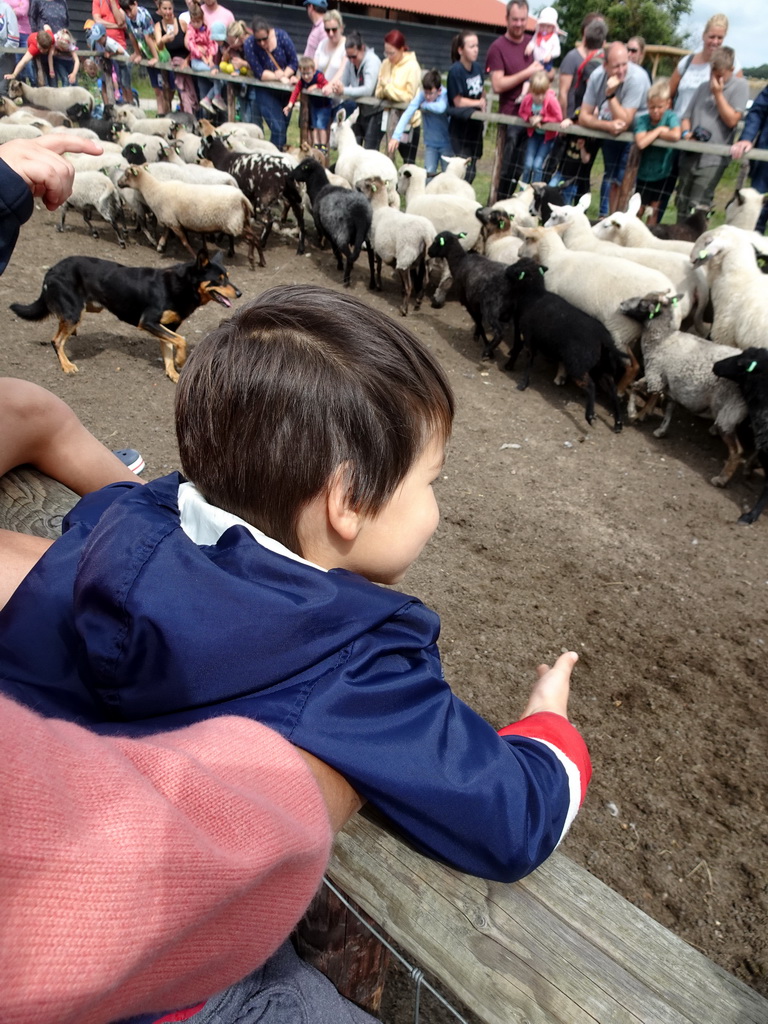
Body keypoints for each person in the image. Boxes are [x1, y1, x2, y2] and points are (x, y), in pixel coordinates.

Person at [0, 282, 591, 888]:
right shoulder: (353, 665)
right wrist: (549, 727)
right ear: (348, 500)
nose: (436, 505)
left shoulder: (125, 519)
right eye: (431, 480)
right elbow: (511, 817)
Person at [0, 136, 366, 1024]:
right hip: (153, 964)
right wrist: (326, 788)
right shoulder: (371, 644)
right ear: (345, 501)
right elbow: (102, 877)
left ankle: (133, 494)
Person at [676, 46, 748, 220]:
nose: (715, 77)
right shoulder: (702, 87)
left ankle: (695, 241)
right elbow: (686, 116)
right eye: (713, 72)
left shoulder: (741, 86)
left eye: (720, 73)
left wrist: (717, 94)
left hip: (713, 159)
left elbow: (732, 120)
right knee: (681, 200)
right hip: (690, 154)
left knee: (698, 204)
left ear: (731, 70)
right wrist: (687, 133)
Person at [578, 40, 648, 217]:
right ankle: (605, 218)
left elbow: (625, 122)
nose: (622, 70)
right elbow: (583, 116)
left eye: (625, 64)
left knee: (623, 180)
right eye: (617, 66)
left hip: (634, 136)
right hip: (610, 131)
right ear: (605, 65)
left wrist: (610, 95)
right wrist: (607, 125)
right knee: (610, 176)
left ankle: (619, 220)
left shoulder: (637, 78)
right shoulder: (596, 77)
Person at [485, 0, 540, 199]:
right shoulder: (497, 47)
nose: (518, 24)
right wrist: (528, 72)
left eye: (523, 20)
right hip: (510, 119)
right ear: (507, 19)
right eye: (515, 19)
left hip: (532, 118)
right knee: (505, 170)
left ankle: (509, 206)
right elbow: (498, 85)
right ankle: (496, 205)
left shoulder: (533, 44)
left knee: (521, 170)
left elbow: (544, 73)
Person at [550, 14, 606, 204]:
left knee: (584, 168)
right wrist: (566, 120)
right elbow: (563, 93)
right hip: (572, 122)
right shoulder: (572, 57)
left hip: (592, 124)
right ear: (585, 30)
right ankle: (554, 202)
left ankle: (578, 209)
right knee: (563, 166)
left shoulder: (603, 61)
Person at [242, 16, 298, 149]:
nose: (261, 43)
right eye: (258, 40)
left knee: (283, 128)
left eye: (264, 39)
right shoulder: (249, 44)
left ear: (269, 32)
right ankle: (272, 157)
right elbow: (259, 72)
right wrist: (278, 76)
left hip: (286, 91)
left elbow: (294, 62)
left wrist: (285, 74)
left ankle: (276, 157)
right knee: (277, 127)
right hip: (265, 90)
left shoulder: (282, 36)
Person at [632, 77, 682, 224]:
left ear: (667, 104)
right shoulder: (643, 120)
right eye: (652, 107)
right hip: (644, 173)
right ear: (647, 105)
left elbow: (675, 134)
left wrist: (651, 135)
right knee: (638, 209)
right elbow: (641, 142)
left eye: (659, 107)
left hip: (662, 174)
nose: (655, 111)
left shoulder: (671, 117)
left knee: (653, 211)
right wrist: (659, 130)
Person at [388, 67, 453, 177]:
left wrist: (425, 105)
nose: (427, 96)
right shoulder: (422, 96)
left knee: (447, 175)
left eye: (431, 93)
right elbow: (408, 113)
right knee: (428, 174)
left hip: (447, 144)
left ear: (439, 90)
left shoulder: (445, 95)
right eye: (425, 92)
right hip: (430, 144)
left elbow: (441, 108)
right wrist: (396, 136)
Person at [372, 29, 421, 162]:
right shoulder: (385, 64)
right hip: (385, 118)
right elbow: (378, 92)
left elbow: (408, 97)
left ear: (401, 49)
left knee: (408, 162)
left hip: (409, 122)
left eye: (391, 53)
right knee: (381, 155)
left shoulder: (413, 67)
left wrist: (388, 88)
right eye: (386, 52)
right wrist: (387, 90)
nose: (388, 56)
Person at [446, 30, 485, 185]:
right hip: (460, 129)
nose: (475, 49)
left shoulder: (477, 68)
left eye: (477, 46)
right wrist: (477, 103)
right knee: (463, 169)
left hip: (476, 127)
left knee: (473, 168)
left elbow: (482, 91)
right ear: (460, 50)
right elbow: (457, 101)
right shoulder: (455, 71)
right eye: (471, 46)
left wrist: (482, 101)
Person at [330, 28, 380, 145]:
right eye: (348, 57)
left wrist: (344, 90)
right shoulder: (350, 62)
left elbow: (368, 89)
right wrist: (338, 86)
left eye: (354, 56)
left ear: (362, 48)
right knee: (353, 146)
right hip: (358, 110)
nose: (351, 60)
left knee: (369, 149)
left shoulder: (372, 61)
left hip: (374, 111)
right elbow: (344, 83)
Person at [731, 83, 768, 234]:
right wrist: (747, 137)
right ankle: (751, 254)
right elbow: (757, 111)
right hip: (765, 165)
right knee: (756, 214)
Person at [518, 68, 562, 183]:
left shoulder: (551, 100)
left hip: (547, 137)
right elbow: (521, 112)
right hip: (534, 135)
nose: (540, 97)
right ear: (531, 91)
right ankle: (524, 188)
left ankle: (535, 191)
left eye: (543, 93)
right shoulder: (527, 100)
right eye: (537, 94)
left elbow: (558, 117)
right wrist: (529, 118)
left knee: (537, 164)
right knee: (528, 164)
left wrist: (543, 119)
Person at [283, 54, 330, 149]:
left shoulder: (319, 77)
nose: (306, 76)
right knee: (314, 127)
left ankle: (323, 147)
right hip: (313, 106)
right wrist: (290, 105)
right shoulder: (302, 81)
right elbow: (296, 90)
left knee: (321, 126)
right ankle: (317, 147)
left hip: (324, 105)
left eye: (308, 73)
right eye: (303, 74)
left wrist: (317, 86)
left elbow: (327, 85)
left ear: (313, 70)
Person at [91, 0, 133, 102]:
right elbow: (98, 20)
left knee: (124, 82)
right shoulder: (98, 1)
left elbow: (121, 21)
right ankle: (108, 107)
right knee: (105, 79)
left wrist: (113, 3)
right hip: (104, 44)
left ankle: (129, 105)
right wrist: (116, 26)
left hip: (119, 43)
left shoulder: (120, 2)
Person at [121, 0, 159, 68]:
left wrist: (155, 57)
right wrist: (137, 53)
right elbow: (131, 34)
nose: (129, 14)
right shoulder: (127, 18)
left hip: (156, 48)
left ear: (135, 3)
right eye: (126, 12)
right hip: (144, 48)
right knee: (151, 72)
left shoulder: (144, 16)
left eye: (130, 10)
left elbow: (149, 38)